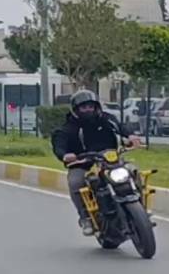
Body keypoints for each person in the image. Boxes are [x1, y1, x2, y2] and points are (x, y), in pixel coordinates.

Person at [51, 90, 139, 237]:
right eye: (84, 107)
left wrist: (131, 136)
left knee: (133, 170)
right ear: (76, 109)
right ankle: (85, 218)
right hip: (83, 163)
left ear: (96, 106)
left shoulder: (107, 119)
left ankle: (140, 204)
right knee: (75, 182)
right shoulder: (69, 128)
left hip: (110, 160)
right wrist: (65, 155)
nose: (88, 110)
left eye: (91, 106)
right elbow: (59, 143)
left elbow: (120, 126)